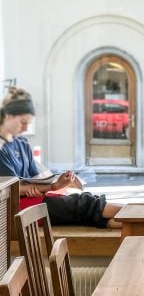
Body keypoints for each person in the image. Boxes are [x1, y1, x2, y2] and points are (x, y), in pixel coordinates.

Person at [0, 87, 122, 228]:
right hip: (16, 209)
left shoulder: (22, 143)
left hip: (32, 200)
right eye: (23, 122)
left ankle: (141, 222)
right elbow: (12, 188)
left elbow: (37, 177)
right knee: (84, 203)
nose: (26, 128)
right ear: (8, 116)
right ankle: (137, 213)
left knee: (89, 208)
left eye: (28, 123)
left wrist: (52, 184)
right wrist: (52, 186)